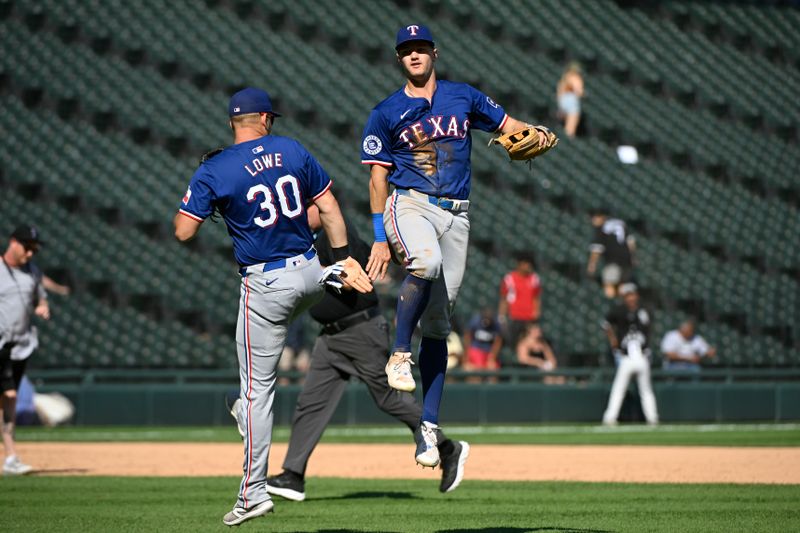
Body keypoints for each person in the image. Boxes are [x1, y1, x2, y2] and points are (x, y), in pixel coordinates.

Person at [174, 87, 372, 527]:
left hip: (266, 285)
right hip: (310, 273)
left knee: (256, 394)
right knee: (253, 387)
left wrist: (212, 199)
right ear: (264, 119)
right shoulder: (291, 149)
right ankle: (334, 276)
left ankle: (253, 493)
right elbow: (330, 208)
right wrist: (344, 260)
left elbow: (183, 231)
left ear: (233, 123)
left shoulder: (216, 168)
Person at [361, 24, 549, 468]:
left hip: (457, 215)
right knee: (423, 263)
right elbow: (376, 178)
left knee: (442, 326)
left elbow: (509, 126)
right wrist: (378, 237)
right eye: (406, 50)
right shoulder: (385, 112)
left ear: (434, 53)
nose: (414, 55)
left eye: (420, 48)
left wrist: (533, 132)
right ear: (399, 58)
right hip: (409, 204)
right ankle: (400, 355)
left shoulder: (463, 96)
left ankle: (428, 428)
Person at [261, 205, 470, 501]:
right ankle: (293, 476)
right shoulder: (310, 240)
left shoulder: (336, 234)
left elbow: (345, 280)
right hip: (331, 337)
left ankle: (447, 448)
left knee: (389, 398)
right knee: (310, 404)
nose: (299, 212)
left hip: (360, 330)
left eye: (307, 206)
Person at [0, 225, 50, 476]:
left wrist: (42, 306)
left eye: (34, 249)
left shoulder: (32, 272)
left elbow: (40, 298)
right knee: (8, 396)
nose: (30, 253)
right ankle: (10, 457)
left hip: (20, 346)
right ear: (13, 242)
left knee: (9, 400)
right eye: (27, 247)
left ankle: (10, 458)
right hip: (1, 346)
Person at [601, 283, 658, 426]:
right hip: (626, 357)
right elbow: (605, 324)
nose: (630, 298)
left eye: (632, 294)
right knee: (619, 389)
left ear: (636, 295)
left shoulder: (644, 311)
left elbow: (650, 330)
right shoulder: (619, 310)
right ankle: (610, 418)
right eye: (627, 295)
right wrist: (613, 340)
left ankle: (653, 418)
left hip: (642, 356)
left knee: (646, 390)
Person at [586, 208, 636, 299]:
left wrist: (592, 265)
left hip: (613, 260)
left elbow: (596, 249)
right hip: (626, 259)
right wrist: (633, 256)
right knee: (622, 285)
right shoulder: (621, 223)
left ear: (601, 217)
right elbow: (631, 241)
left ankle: (613, 304)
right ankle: (621, 303)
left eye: (594, 218)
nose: (593, 220)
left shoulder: (601, 228)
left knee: (609, 286)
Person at [498, 253, 542, 351]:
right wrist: (502, 315)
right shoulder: (509, 279)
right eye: (526, 263)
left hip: (529, 318)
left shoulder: (534, 279)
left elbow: (536, 297)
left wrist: (536, 312)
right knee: (512, 343)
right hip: (514, 316)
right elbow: (504, 298)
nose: (528, 266)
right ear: (519, 264)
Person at [462, 308, 502, 372]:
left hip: (489, 352)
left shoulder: (496, 324)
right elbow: (467, 337)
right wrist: (466, 356)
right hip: (476, 349)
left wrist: (492, 357)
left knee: (494, 368)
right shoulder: (475, 321)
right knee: (477, 367)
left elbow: (498, 342)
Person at [556, 61, 584, 138]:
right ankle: (568, 139)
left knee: (564, 123)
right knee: (571, 126)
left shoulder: (565, 78)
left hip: (562, 100)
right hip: (571, 99)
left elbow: (559, 92)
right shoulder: (575, 77)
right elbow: (578, 91)